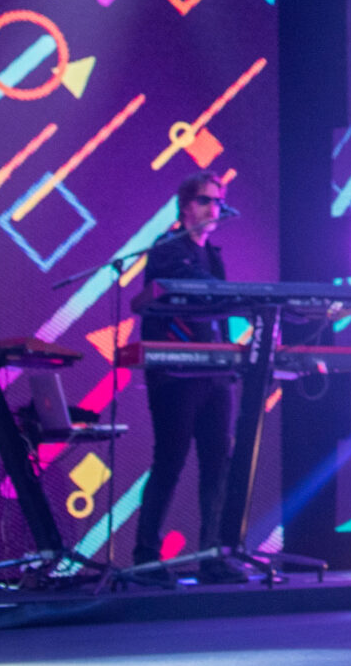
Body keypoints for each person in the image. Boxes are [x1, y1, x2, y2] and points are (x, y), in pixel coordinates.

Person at [130, 172, 241, 578]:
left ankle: (211, 554)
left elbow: (219, 307)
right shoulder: (167, 248)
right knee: (170, 462)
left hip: (215, 374)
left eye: (218, 202)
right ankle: (145, 557)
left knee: (217, 465)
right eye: (207, 201)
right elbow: (196, 288)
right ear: (186, 206)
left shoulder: (214, 255)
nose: (215, 209)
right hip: (176, 374)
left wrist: (230, 362)